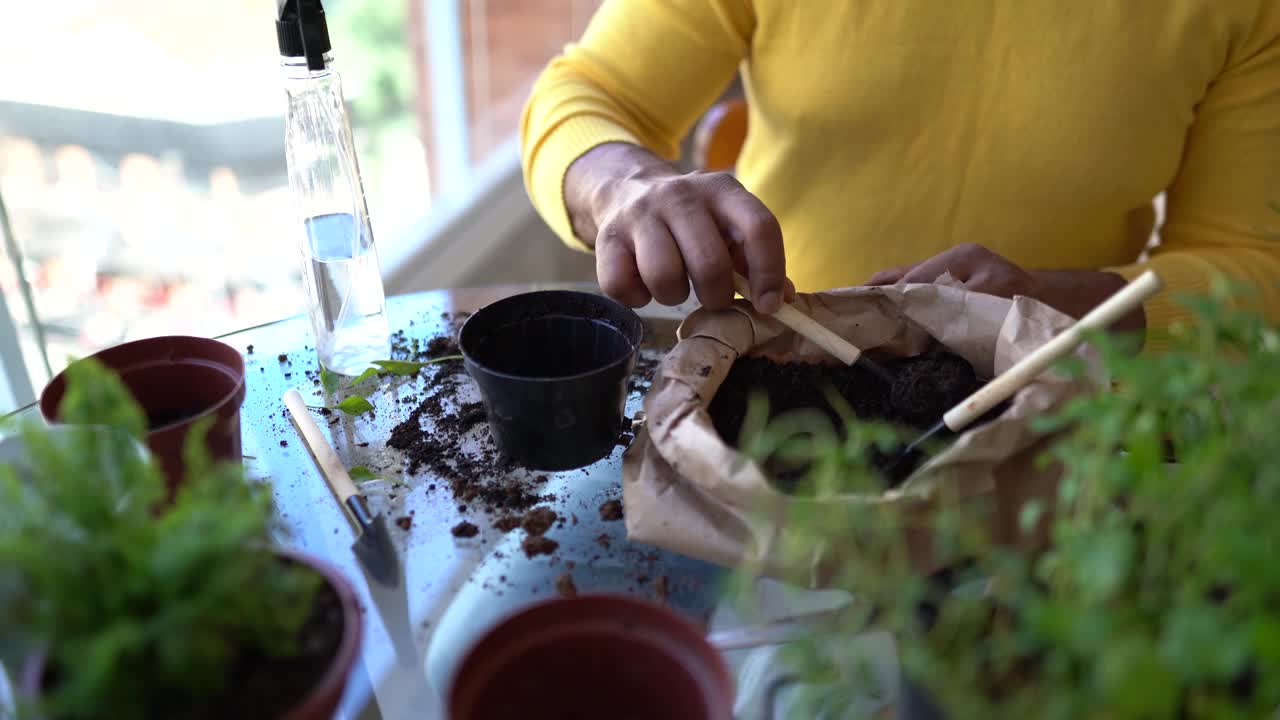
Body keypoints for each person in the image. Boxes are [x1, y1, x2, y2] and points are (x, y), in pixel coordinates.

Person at [520, 1, 1280, 346]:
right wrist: (624, 185)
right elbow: (589, 96)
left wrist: (1053, 306)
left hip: (1048, 399)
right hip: (772, 367)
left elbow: (1255, 268)